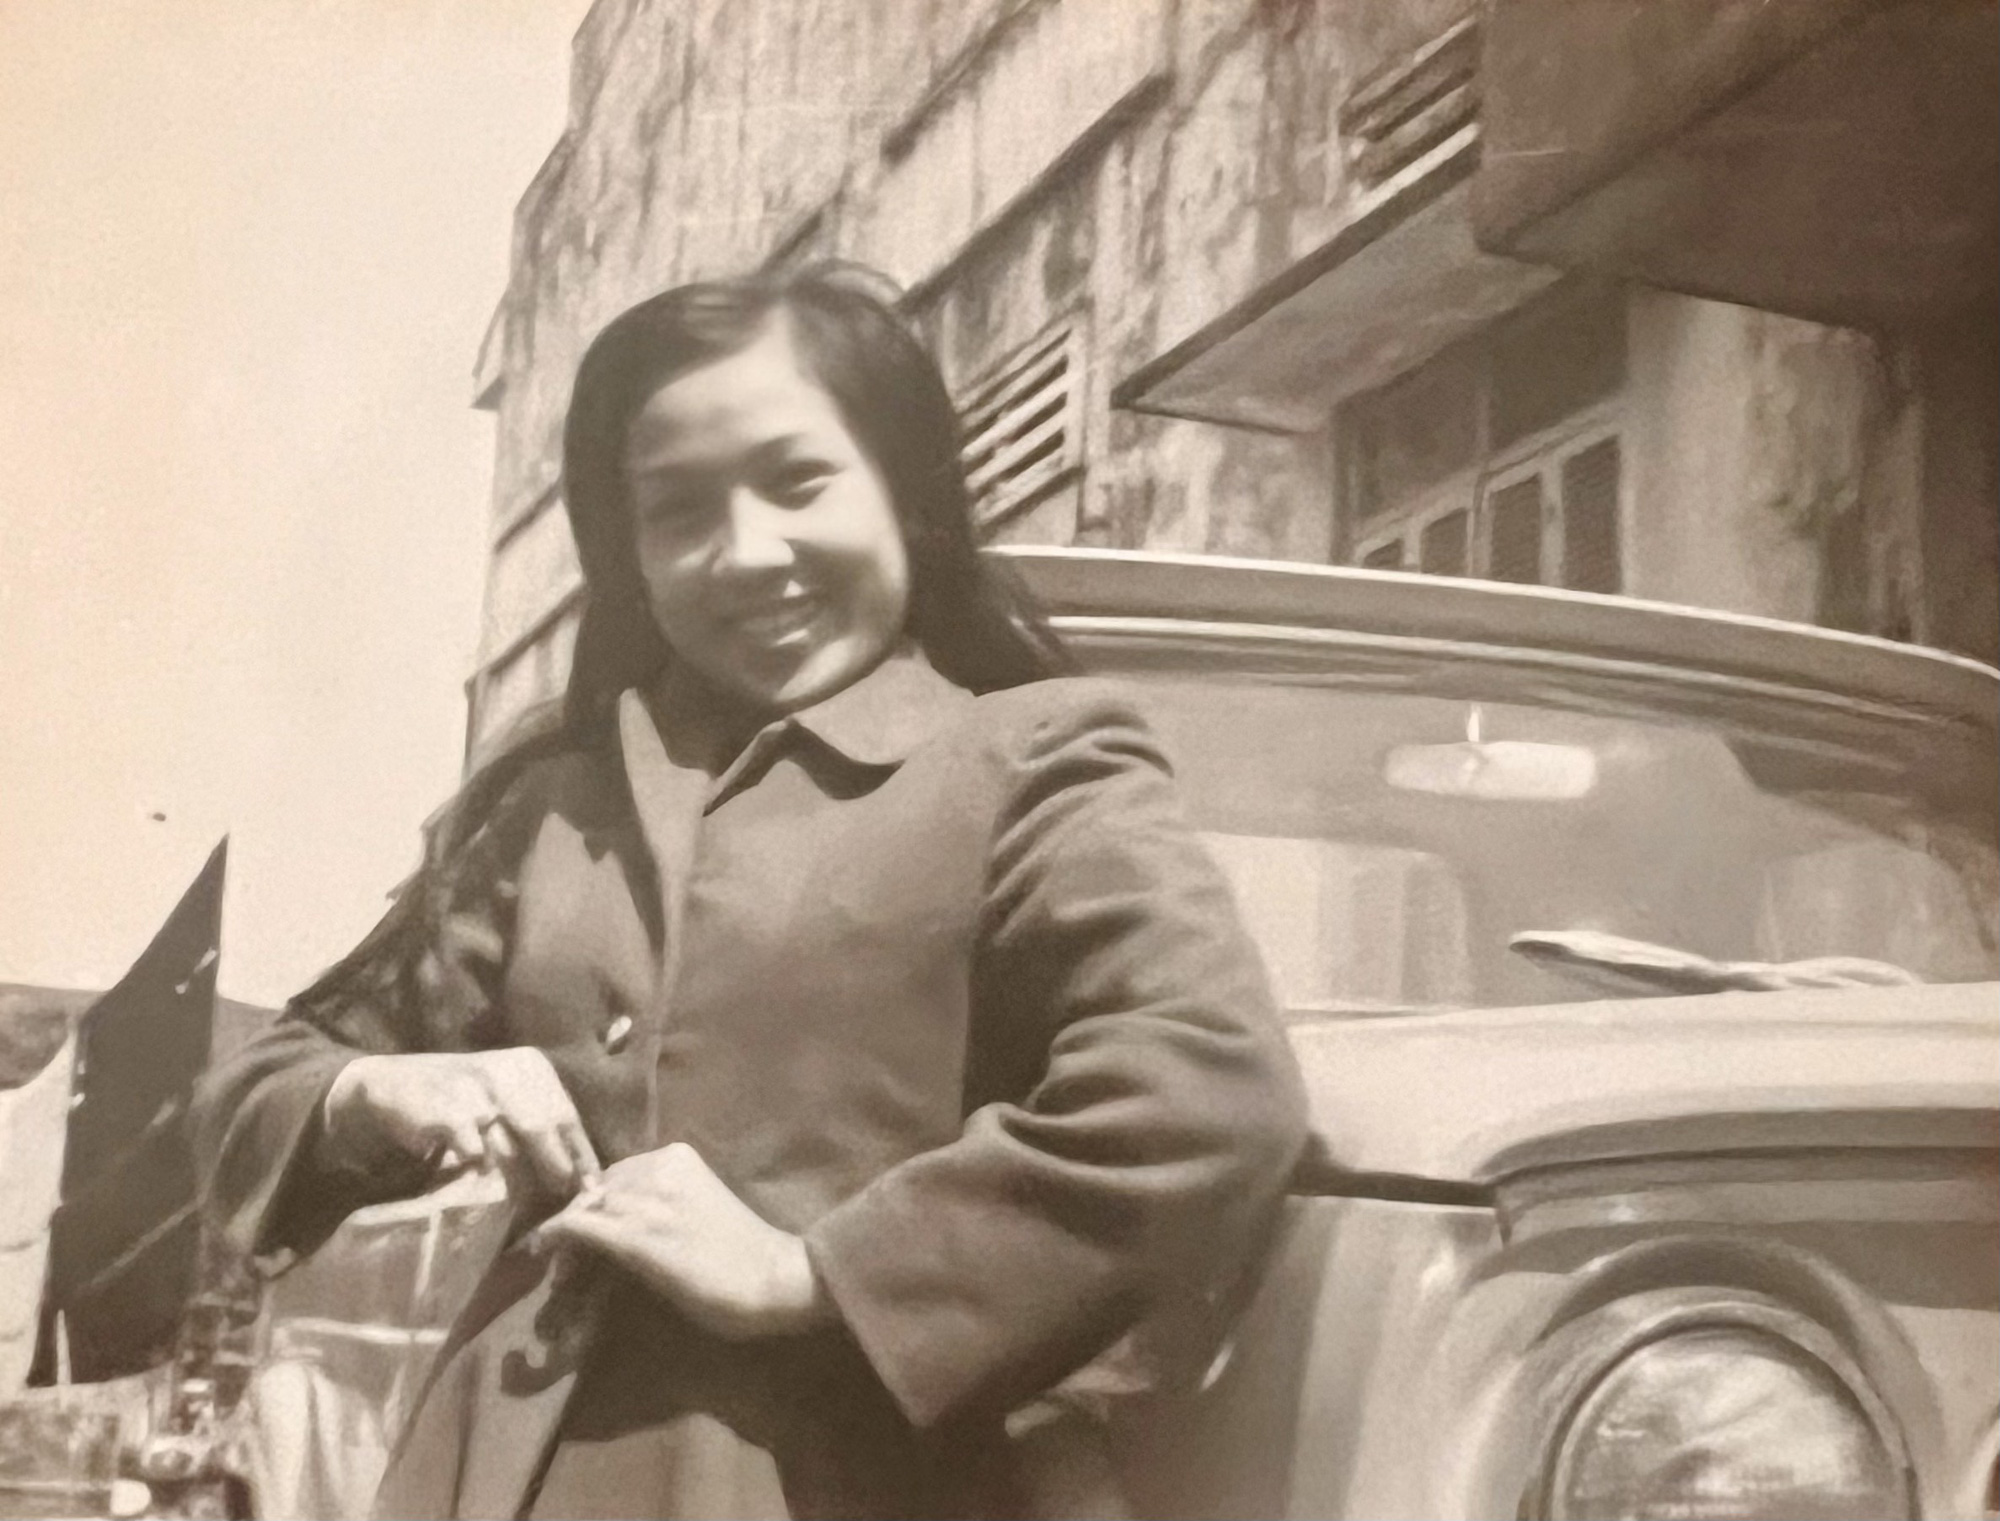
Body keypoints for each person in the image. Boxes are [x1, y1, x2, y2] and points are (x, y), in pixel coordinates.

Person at [192, 264, 1310, 1520]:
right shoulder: (556, 802)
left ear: (906, 496)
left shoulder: (1035, 762)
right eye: (677, 511)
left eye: (797, 481)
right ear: (628, 555)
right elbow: (257, 1086)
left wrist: (814, 1275)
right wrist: (382, 1091)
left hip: (835, 1477)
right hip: (489, 1471)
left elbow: (1203, 1091)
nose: (746, 554)